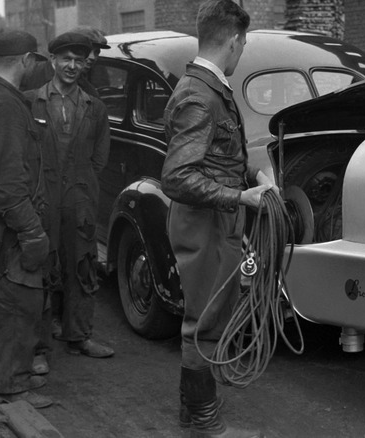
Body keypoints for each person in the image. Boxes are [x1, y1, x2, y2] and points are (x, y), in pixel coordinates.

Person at [161, 1, 274, 436]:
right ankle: (206, 424)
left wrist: (252, 173)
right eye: (243, 42)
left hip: (213, 219)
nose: (242, 49)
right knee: (206, 322)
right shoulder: (199, 94)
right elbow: (178, 177)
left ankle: (192, 414)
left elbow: (217, 158)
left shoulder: (209, 87)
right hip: (205, 223)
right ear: (233, 41)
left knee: (205, 316)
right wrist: (241, 195)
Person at [0, 29, 54, 409]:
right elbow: (8, 182)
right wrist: (32, 231)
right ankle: (8, 383)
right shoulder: (4, 105)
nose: (40, 69)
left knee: (5, 291)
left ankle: (6, 373)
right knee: (18, 295)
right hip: (7, 217)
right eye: (38, 61)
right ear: (25, 61)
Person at [24, 31, 113, 359]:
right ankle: (38, 347)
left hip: (79, 201)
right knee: (41, 270)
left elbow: (99, 158)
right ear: (53, 61)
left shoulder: (95, 108)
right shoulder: (31, 101)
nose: (73, 66)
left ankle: (79, 336)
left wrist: (82, 188)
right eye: (66, 59)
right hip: (42, 200)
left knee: (83, 267)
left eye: (79, 60)